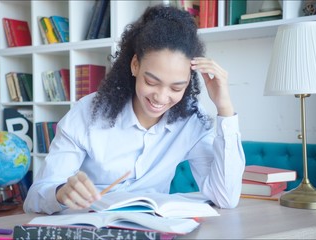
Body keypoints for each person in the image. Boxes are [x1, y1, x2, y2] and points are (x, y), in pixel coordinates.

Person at [24, 4, 245, 214]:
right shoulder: (87, 113)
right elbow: (33, 199)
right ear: (135, 65)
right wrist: (61, 193)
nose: (161, 97)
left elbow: (225, 197)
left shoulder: (190, 119)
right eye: (151, 82)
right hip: (91, 226)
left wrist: (225, 109)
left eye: (176, 87)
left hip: (154, 229)